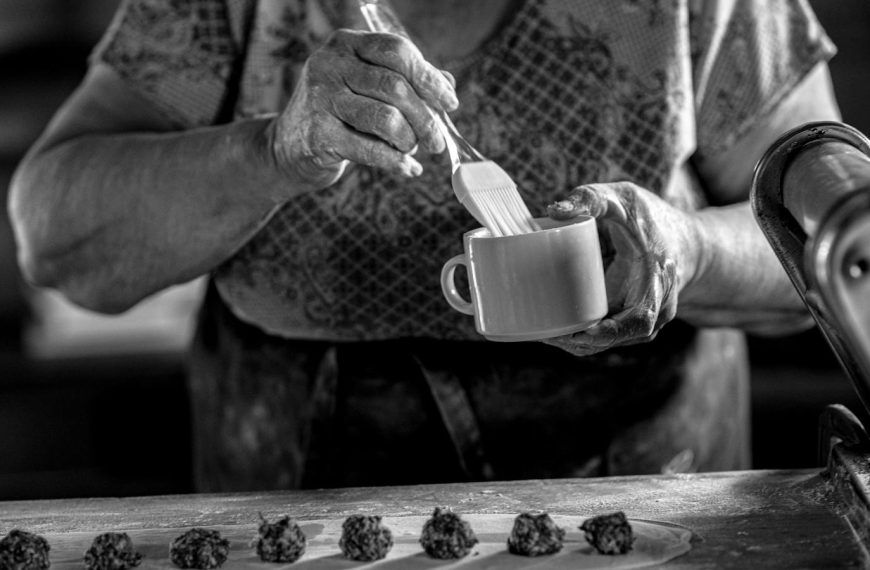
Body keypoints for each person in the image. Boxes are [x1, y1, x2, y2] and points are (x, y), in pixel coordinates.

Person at [9, 0, 841, 491]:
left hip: (646, 508)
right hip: (293, 507)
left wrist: (687, 249)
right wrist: (274, 152)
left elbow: (839, 241)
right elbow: (53, 238)